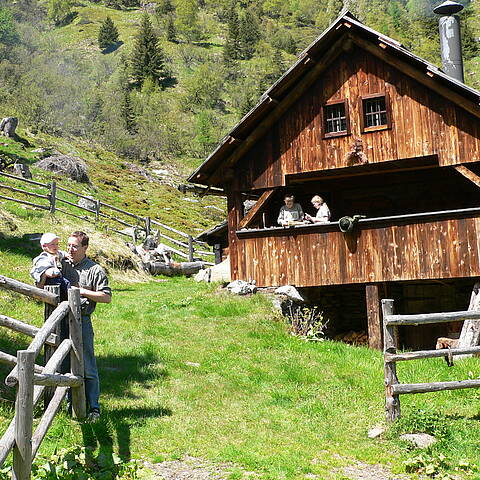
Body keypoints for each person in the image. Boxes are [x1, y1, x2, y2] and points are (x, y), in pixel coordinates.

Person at [62, 231, 112, 423]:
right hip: (61, 321)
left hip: (82, 321)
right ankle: (68, 405)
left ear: (84, 248)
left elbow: (106, 297)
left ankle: (94, 408)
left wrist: (81, 291)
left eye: (75, 246)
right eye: (69, 245)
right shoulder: (63, 263)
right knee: (63, 364)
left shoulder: (94, 270)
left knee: (87, 364)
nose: (70, 249)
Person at [30, 232, 71, 301]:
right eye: (52, 244)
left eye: (57, 244)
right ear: (44, 246)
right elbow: (48, 272)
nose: (55, 246)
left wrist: (67, 255)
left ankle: (68, 298)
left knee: (64, 285)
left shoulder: (56, 253)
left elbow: (62, 253)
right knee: (66, 283)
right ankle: (71, 298)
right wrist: (54, 264)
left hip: (57, 278)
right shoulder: (44, 258)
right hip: (50, 280)